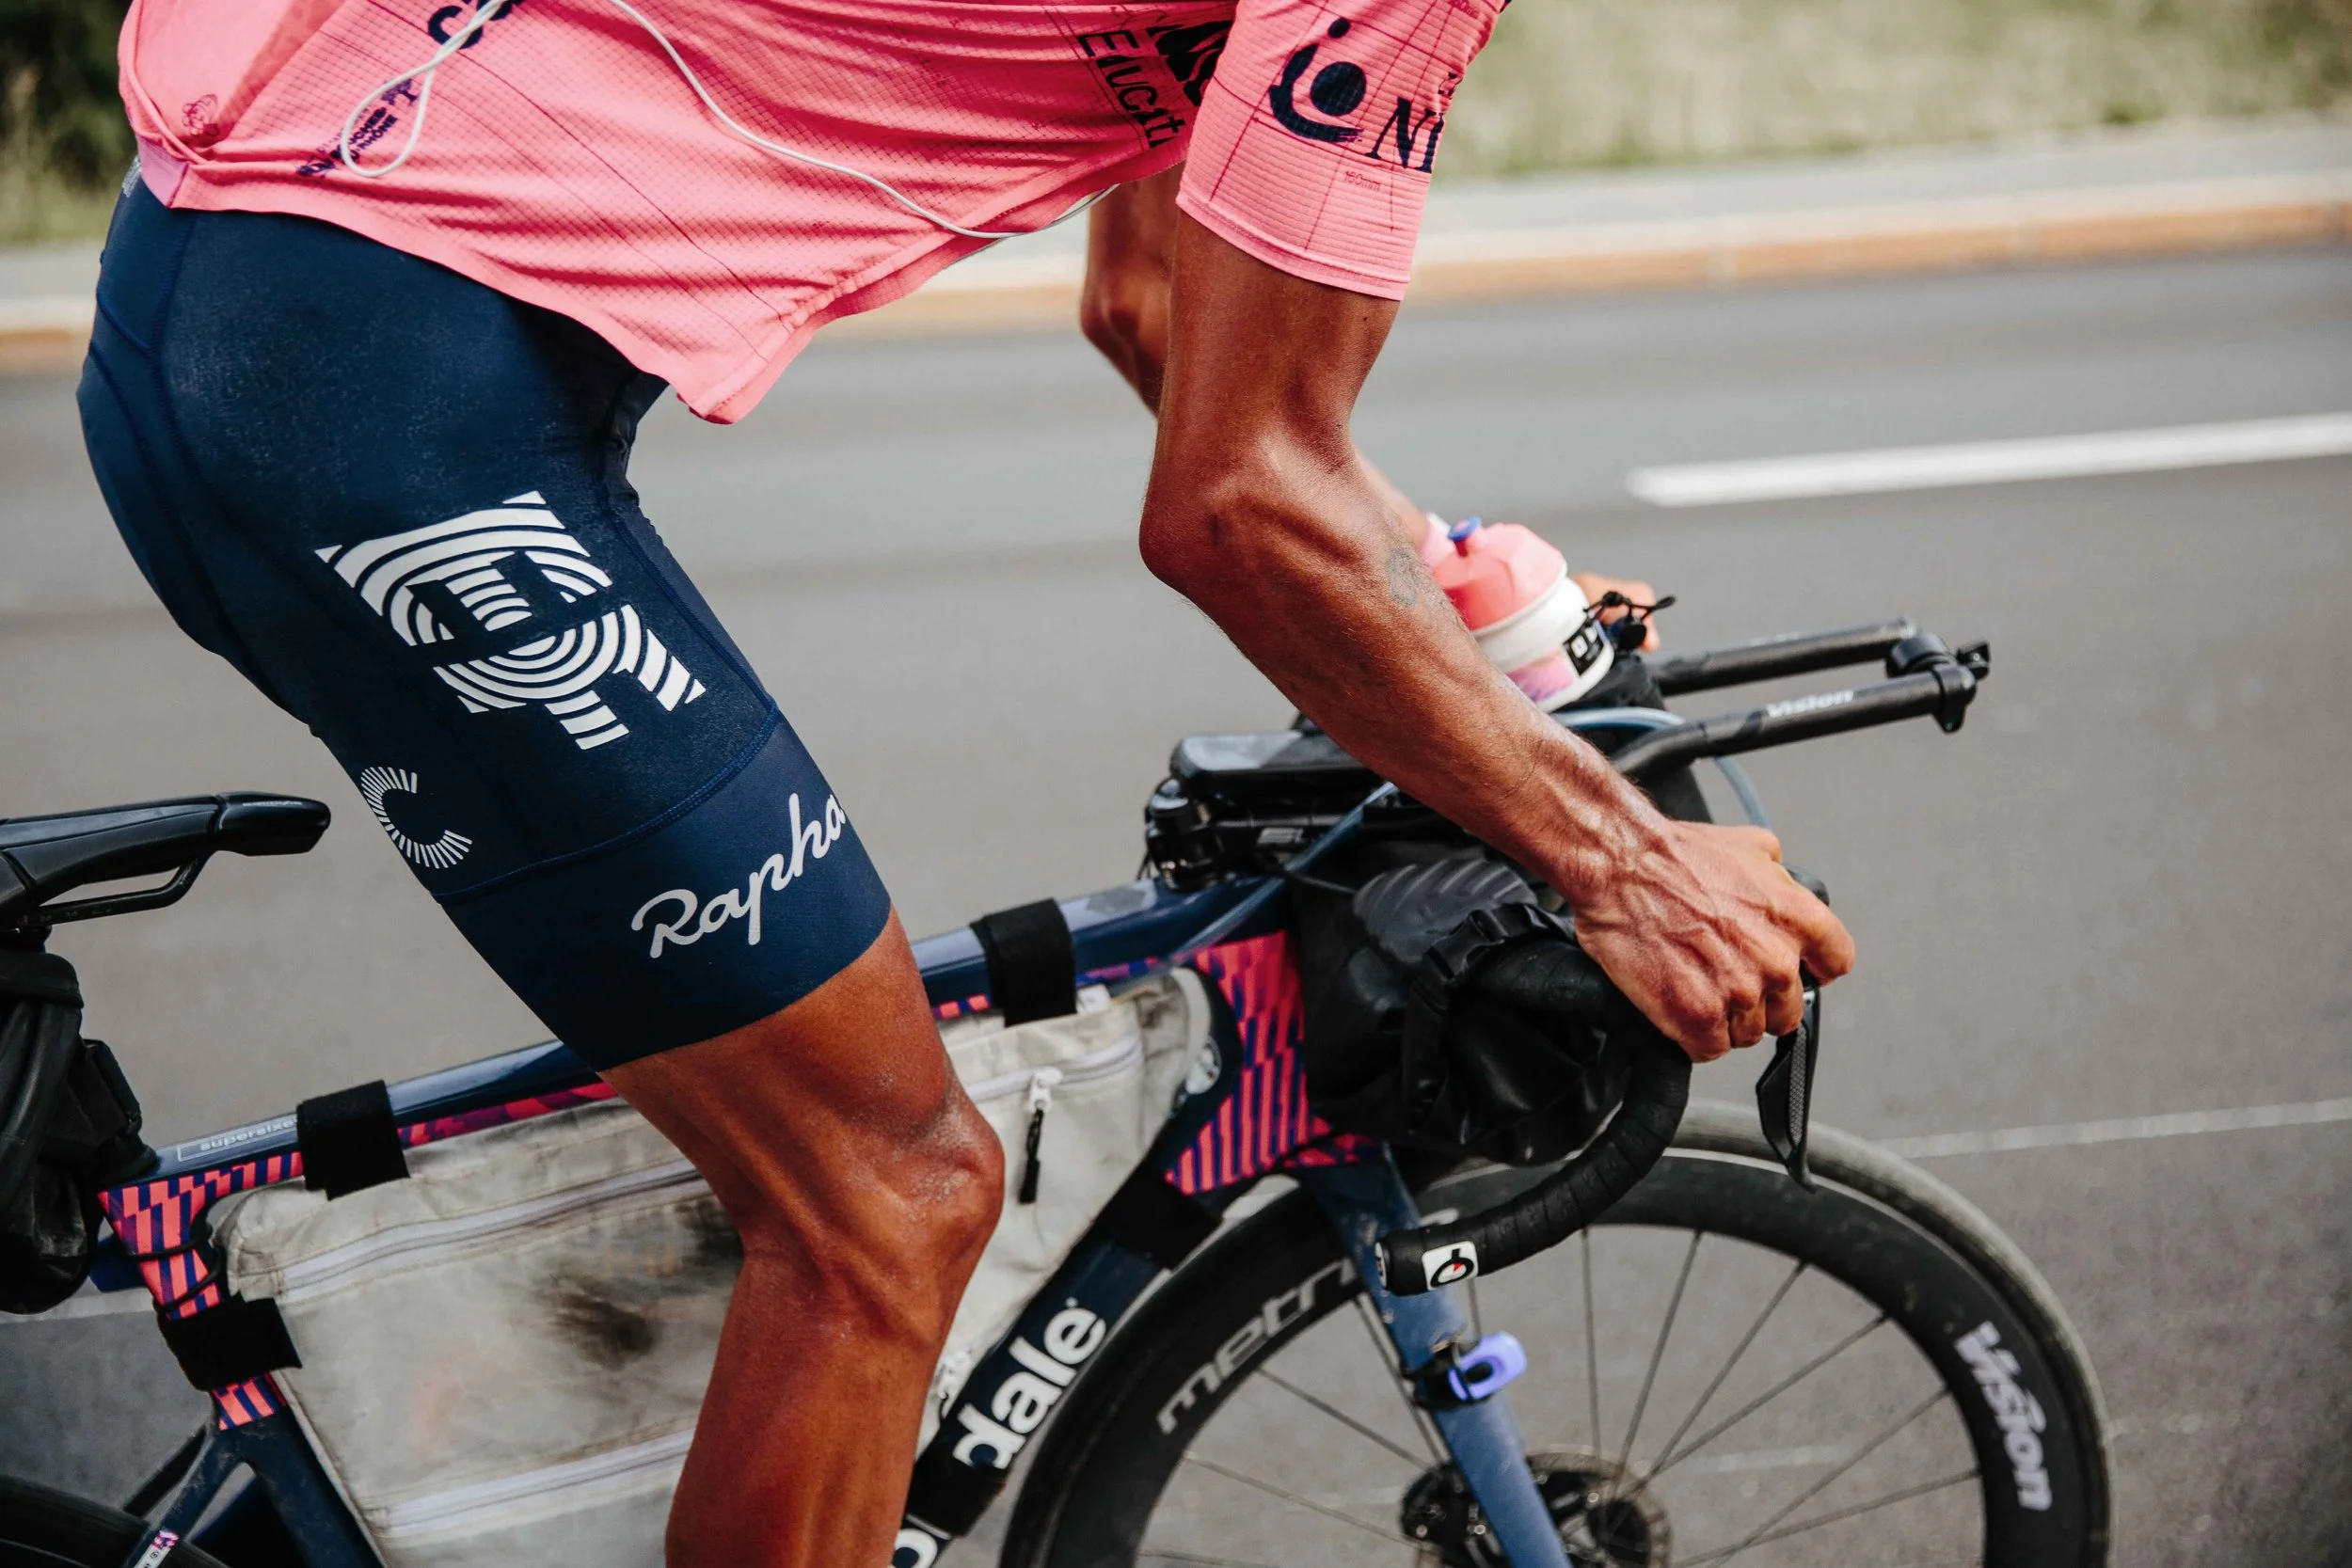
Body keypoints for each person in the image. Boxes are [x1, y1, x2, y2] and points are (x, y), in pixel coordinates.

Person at [81, 0, 1854, 1560]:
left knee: (796, 1120)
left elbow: (1159, 313)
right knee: (882, 1195)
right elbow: (1237, 505)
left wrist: (1452, 582)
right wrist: (1626, 859)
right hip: (370, 406)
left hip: (252, 305)